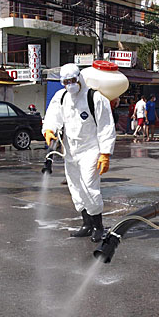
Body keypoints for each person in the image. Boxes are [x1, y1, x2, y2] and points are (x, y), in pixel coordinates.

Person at [42, 63, 116, 242]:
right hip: (70, 150)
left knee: (90, 187)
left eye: (73, 80)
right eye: (66, 82)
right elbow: (53, 116)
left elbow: (106, 126)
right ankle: (86, 224)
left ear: (79, 78)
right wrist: (49, 130)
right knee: (75, 188)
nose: (70, 85)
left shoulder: (95, 98)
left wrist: (105, 154)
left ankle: (99, 226)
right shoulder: (61, 98)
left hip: (90, 150)